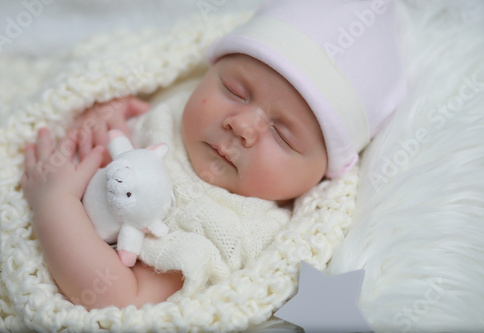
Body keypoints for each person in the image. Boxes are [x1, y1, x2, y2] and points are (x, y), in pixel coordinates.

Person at [21, 0, 406, 310]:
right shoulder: (176, 111)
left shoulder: (234, 230)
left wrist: (55, 204)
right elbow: (110, 125)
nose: (242, 125)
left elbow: (118, 297)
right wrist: (103, 110)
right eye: (235, 90)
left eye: (283, 135)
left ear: (320, 176)